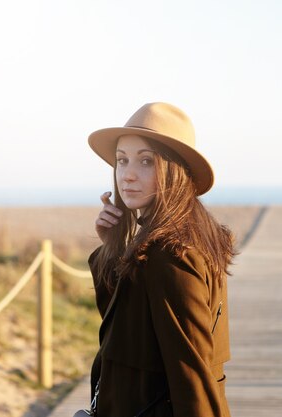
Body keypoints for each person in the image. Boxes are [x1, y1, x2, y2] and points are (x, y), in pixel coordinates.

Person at [85, 102, 237, 417]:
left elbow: (192, 373)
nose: (127, 176)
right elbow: (126, 330)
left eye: (146, 162)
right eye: (122, 161)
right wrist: (112, 248)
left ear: (174, 170)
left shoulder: (170, 255)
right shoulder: (180, 236)